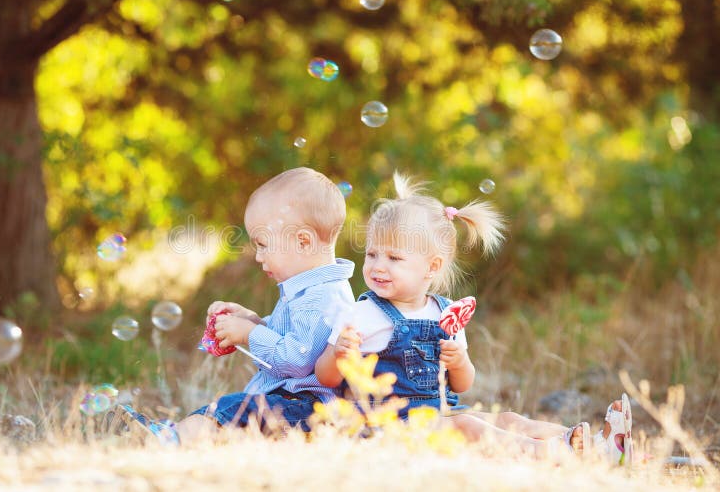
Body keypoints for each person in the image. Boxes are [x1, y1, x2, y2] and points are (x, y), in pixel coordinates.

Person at [315, 172, 633, 462]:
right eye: (372, 254)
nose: (378, 265)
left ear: (433, 267)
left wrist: (458, 362)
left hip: (441, 412)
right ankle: (551, 453)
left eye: (394, 258)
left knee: (507, 419)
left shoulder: (445, 312)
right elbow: (326, 378)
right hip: (389, 425)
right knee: (467, 425)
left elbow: (463, 384)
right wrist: (338, 353)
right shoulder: (361, 313)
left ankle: (592, 445)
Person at [112, 167, 355, 445]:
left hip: (305, 409)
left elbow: (297, 362)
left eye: (263, 245)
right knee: (231, 410)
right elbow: (295, 342)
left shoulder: (322, 296)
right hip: (290, 404)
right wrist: (254, 322)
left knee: (230, 409)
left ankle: (169, 439)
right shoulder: (307, 290)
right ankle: (169, 435)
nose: (259, 256)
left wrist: (249, 335)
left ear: (303, 241)